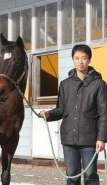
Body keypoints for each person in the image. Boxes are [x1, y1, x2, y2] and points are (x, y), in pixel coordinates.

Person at [38, 44, 107, 185]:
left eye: (83, 58)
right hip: (69, 139)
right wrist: (48, 114)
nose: (80, 62)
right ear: (72, 60)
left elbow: (104, 113)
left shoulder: (99, 84)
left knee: (90, 176)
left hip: (90, 139)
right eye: (77, 58)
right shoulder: (64, 84)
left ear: (89, 60)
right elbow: (62, 110)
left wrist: (102, 138)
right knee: (72, 177)